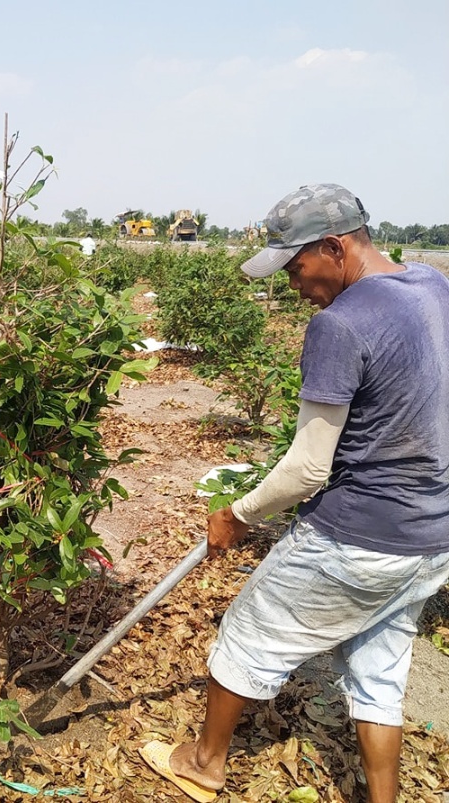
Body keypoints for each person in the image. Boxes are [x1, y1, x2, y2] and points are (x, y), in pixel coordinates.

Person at [138, 184, 449, 803]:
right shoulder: (435, 287)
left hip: (358, 535)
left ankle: (203, 763)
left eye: (296, 265)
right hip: (431, 538)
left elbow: (308, 468)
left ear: (335, 247)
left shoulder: (340, 325)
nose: (291, 283)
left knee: (249, 633)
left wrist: (237, 514)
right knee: (379, 671)